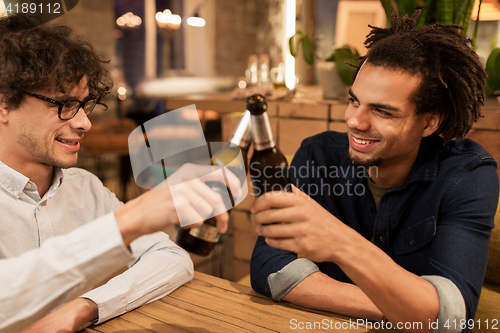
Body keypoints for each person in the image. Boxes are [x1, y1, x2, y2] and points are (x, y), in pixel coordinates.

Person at [250, 11, 499, 333]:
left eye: (382, 111)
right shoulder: (318, 155)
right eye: (354, 101)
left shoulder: (468, 175)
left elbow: (452, 317)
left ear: (429, 122)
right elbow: (269, 268)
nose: (355, 121)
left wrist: (340, 243)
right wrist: (402, 307)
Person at [0, 14, 241, 333]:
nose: (84, 123)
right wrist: (130, 220)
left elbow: (171, 257)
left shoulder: (85, 188)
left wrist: (84, 307)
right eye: (65, 105)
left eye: (84, 105)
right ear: (4, 104)